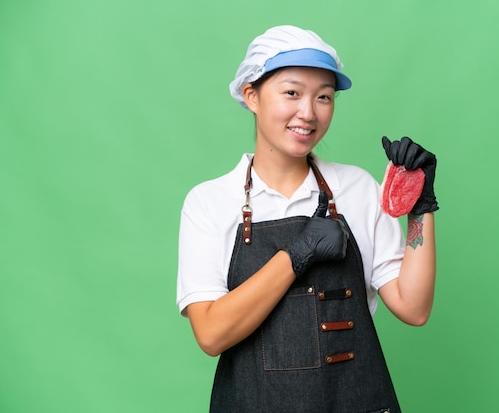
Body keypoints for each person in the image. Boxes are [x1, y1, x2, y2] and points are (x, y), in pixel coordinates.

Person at [176, 25, 439, 412]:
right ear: (252, 95)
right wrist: (297, 254)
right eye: (292, 92)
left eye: (324, 97)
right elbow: (212, 333)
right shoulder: (210, 202)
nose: (308, 113)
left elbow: (413, 308)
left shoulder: (356, 188)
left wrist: (420, 208)